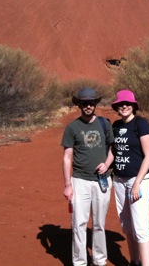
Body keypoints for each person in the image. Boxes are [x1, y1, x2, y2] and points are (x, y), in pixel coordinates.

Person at [62, 87, 115, 266]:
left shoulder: (104, 124)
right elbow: (67, 157)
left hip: (102, 180)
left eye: (91, 103)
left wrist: (107, 164)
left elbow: (112, 150)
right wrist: (68, 184)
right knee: (79, 223)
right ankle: (79, 262)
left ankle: (99, 260)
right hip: (80, 181)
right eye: (85, 103)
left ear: (95, 104)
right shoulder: (73, 127)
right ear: (79, 105)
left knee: (99, 223)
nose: (88, 106)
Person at [104, 89, 149, 266]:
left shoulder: (141, 125)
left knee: (140, 226)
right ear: (117, 107)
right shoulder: (116, 126)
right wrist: (106, 165)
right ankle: (134, 261)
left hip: (138, 180)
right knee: (127, 224)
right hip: (119, 179)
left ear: (133, 106)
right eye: (120, 104)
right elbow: (114, 150)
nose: (124, 106)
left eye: (127, 104)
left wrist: (137, 183)